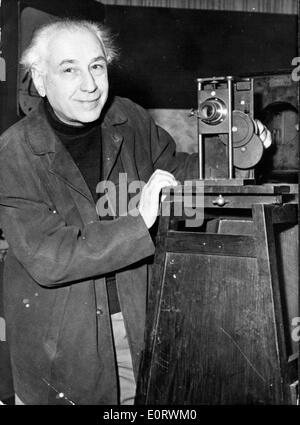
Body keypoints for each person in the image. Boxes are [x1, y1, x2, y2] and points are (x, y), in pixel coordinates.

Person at [0, 19, 271, 405]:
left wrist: (238, 153)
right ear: (41, 81)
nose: (90, 84)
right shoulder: (13, 154)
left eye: (96, 66)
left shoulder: (128, 119)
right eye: (69, 69)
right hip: (63, 343)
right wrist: (138, 221)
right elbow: (51, 257)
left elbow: (174, 173)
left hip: (137, 321)